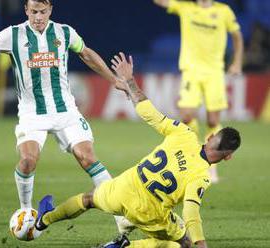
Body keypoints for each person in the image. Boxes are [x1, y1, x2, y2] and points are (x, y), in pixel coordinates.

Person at [0, 0, 129, 232]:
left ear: (50, 10)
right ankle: (26, 211)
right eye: (33, 12)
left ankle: (121, 217)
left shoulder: (65, 32)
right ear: (26, 11)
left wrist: (114, 80)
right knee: (28, 161)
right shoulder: (12, 34)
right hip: (32, 114)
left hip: (65, 111)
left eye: (42, 12)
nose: (38, 17)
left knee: (87, 157)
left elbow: (87, 54)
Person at [34, 52, 241, 248]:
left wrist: (130, 81)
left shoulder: (184, 134)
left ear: (211, 137)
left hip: (126, 186)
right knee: (182, 243)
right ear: (228, 157)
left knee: (88, 199)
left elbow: (149, 112)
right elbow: (191, 211)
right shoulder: (202, 176)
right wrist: (200, 243)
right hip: (149, 212)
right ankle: (127, 246)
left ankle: (44, 220)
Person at [153, 0, 244, 183]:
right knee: (186, 115)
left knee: (213, 120)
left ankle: (211, 167)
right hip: (191, 70)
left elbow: (237, 36)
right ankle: (192, 156)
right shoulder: (186, 8)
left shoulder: (223, 11)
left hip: (214, 72)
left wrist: (237, 62)